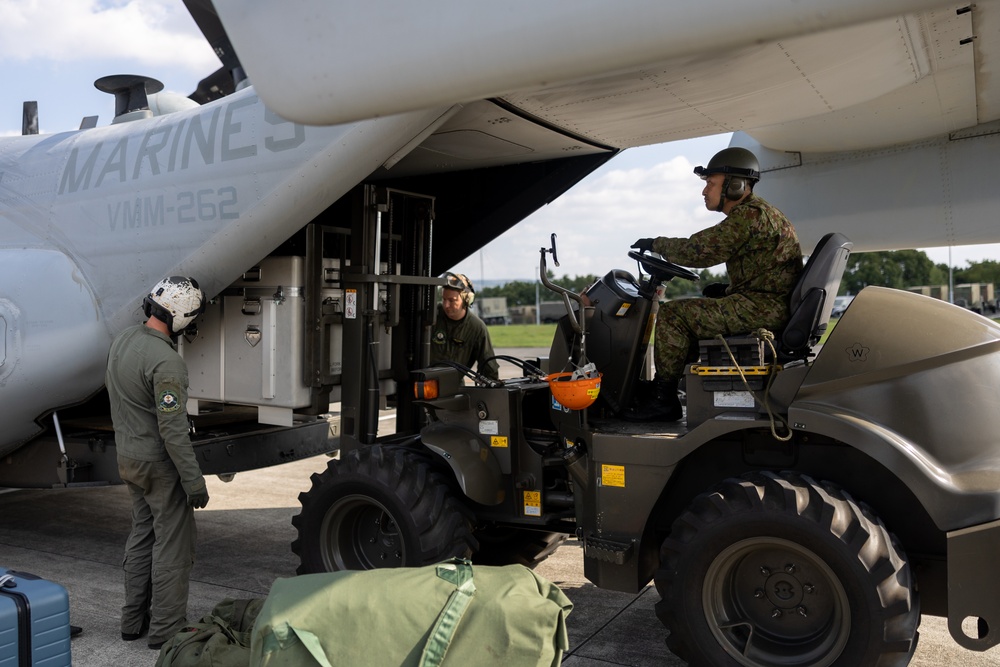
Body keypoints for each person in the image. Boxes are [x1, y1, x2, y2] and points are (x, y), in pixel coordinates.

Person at [629, 147, 803, 421]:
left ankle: (662, 398)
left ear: (735, 186)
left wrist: (656, 244)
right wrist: (727, 291)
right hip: (766, 303)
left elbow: (698, 251)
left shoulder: (750, 216)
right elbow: (765, 275)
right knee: (696, 315)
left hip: (763, 308)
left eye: (711, 183)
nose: (704, 191)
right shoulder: (759, 214)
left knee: (674, 315)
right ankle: (667, 390)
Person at [105, 275, 209, 650]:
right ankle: (166, 630)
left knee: (142, 535)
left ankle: (132, 621)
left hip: (128, 459)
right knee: (173, 547)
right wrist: (194, 482)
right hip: (159, 467)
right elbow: (174, 432)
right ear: (180, 318)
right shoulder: (168, 363)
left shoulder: (122, 341)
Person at [430, 272, 500, 381]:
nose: (446, 305)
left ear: (467, 300)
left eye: (452, 300)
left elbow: (489, 368)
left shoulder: (476, 328)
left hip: (454, 389)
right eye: (444, 299)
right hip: (423, 386)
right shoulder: (431, 316)